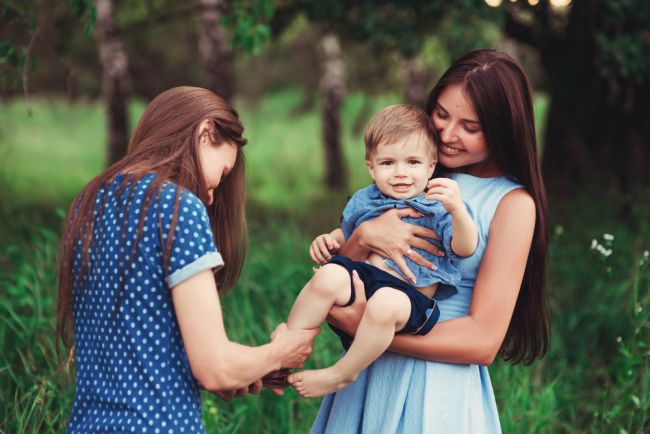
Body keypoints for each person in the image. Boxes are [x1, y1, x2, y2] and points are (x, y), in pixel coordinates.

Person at [290, 49, 550, 433]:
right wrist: (363, 237)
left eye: (471, 127)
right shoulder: (411, 168)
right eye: (441, 114)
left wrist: (369, 330)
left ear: (502, 128)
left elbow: (483, 342)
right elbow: (346, 271)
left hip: (435, 381)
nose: (447, 134)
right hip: (368, 371)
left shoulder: (512, 203)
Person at [56, 86, 318, 433]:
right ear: (206, 132)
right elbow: (215, 367)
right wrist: (281, 353)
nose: (211, 197)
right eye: (221, 176)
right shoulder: (176, 205)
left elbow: (142, 341)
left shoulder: (89, 203)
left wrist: (246, 368)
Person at [286, 104, 477, 398]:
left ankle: (342, 373)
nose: (400, 173)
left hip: (408, 296)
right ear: (371, 167)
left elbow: (464, 248)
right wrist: (330, 239)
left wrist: (458, 212)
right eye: (388, 163)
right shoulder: (366, 200)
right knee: (328, 276)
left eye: (413, 162)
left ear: (431, 165)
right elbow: (348, 233)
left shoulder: (440, 204)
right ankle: (288, 345)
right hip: (364, 278)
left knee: (385, 303)